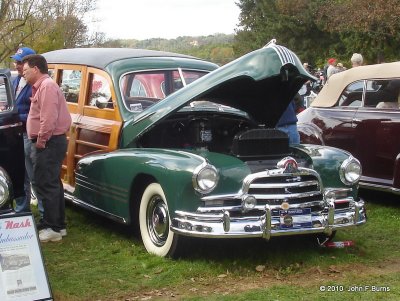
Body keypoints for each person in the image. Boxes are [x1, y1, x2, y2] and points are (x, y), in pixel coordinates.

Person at [22, 54, 72, 242]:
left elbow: (48, 119)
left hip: (49, 142)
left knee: (46, 183)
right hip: (50, 141)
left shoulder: (47, 87)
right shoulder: (43, 86)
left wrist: (41, 142)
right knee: (52, 183)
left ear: (36, 69)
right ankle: (58, 225)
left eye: (26, 70)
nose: (23, 74)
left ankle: (53, 228)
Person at [10, 47, 44, 217]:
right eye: (15, 61)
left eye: (20, 62)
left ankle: (46, 214)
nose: (16, 65)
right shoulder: (14, 81)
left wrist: (15, 115)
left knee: (35, 174)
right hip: (15, 134)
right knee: (20, 172)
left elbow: (36, 112)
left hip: (29, 134)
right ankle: (22, 208)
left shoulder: (35, 85)